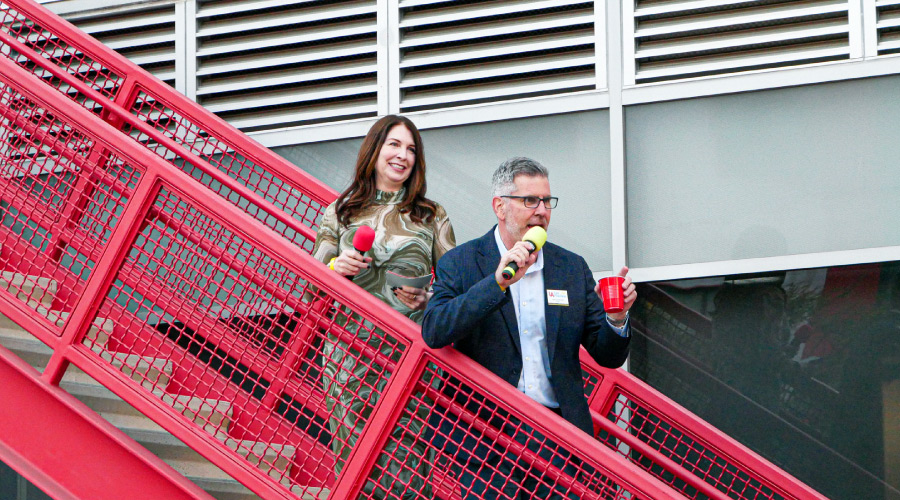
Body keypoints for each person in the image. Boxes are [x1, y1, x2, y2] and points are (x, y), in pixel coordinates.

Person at [422, 157, 635, 499]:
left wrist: (617, 318)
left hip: (559, 438)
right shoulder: (461, 262)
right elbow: (434, 330)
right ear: (500, 207)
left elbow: (607, 355)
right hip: (486, 442)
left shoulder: (570, 267)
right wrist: (496, 283)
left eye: (547, 201)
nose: (541, 211)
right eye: (529, 200)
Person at [311, 115, 455, 498]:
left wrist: (426, 295)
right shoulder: (340, 210)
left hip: (410, 354)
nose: (402, 155)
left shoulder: (431, 214)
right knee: (356, 460)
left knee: (408, 463)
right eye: (394, 144)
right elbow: (312, 285)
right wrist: (336, 267)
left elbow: (454, 284)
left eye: (411, 149)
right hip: (349, 352)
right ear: (375, 150)